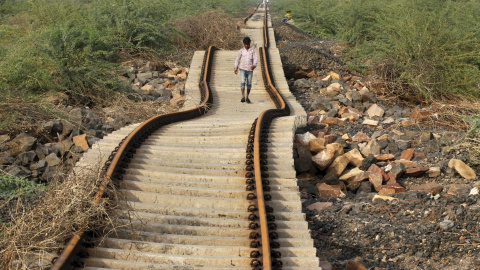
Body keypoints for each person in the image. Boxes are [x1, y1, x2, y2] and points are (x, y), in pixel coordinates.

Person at [234, 37, 258, 103]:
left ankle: (247, 96)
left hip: (250, 70)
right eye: (245, 44)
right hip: (242, 69)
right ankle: (242, 96)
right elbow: (237, 59)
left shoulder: (252, 51)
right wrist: (235, 68)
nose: (246, 46)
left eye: (248, 44)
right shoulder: (241, 51)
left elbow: (255, 59)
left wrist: (254, 65)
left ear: (249, 44)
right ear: (243, 44)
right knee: (242, 82)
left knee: (249, 83)